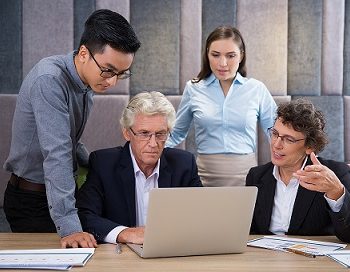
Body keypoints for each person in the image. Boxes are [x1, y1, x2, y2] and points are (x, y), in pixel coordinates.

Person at [3, 9, 141, 248]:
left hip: (59, 193)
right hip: (32, 199)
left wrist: (101, 167)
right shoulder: (50, 80)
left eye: (121, 74)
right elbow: (56, 154)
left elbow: (70, 142)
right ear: (84, 53)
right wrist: (70, 227)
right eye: (108, 70)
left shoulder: (86, 82)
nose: (112, 82)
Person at [76, 91, 202, 245]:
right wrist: (125, 233)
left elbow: (200, 217)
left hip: (170, 254)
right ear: (127, 133)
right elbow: (84, 215)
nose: (153, 143)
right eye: (144, 133)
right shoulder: (103, 163)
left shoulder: (184, 164)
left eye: (161, 134)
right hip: (120, 258)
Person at [166, 26, 276, 187]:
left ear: (241, 56)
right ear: (207, 55)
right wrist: (147, 151)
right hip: (204, 175)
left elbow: (275, 132)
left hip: (246, 176)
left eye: (231, 56)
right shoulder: (194, 88)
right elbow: (176, 133)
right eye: (215, 55)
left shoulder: (256, 89)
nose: (222, 63)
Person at [246, 99, 350, 242]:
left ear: (310, 146)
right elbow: (248, 232)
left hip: (312, 262)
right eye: (275, 134)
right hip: (265, 259)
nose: (276, 145)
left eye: (288, 139)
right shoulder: (256, 176)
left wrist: (336, 192)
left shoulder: (336, 174)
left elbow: (348, 235)